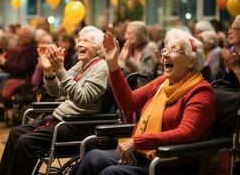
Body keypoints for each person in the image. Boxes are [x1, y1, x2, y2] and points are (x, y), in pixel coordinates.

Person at [72, 28, 216, 175]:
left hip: (169, 162)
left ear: (191, 62)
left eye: (173, 50)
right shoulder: (162, 82)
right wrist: (113, 64)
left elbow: (187, 133)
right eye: (165, 49)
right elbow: (129, 102)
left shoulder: (201, 92)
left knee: (111, 172)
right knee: (93, 157)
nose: (165, 54)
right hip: (144, 154)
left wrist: (138, 142)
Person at [0, 26, 108, 175]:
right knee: (15, 133)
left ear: (99, 47)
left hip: (77, 125)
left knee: (25, 143)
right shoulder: (81, 65)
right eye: (79, 40)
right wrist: (49, 71)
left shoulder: (101, 68)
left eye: (86, 41)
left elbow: (83, 99)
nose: (79, 44)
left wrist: (60, 70)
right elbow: (56, 91)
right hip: (61, 119)